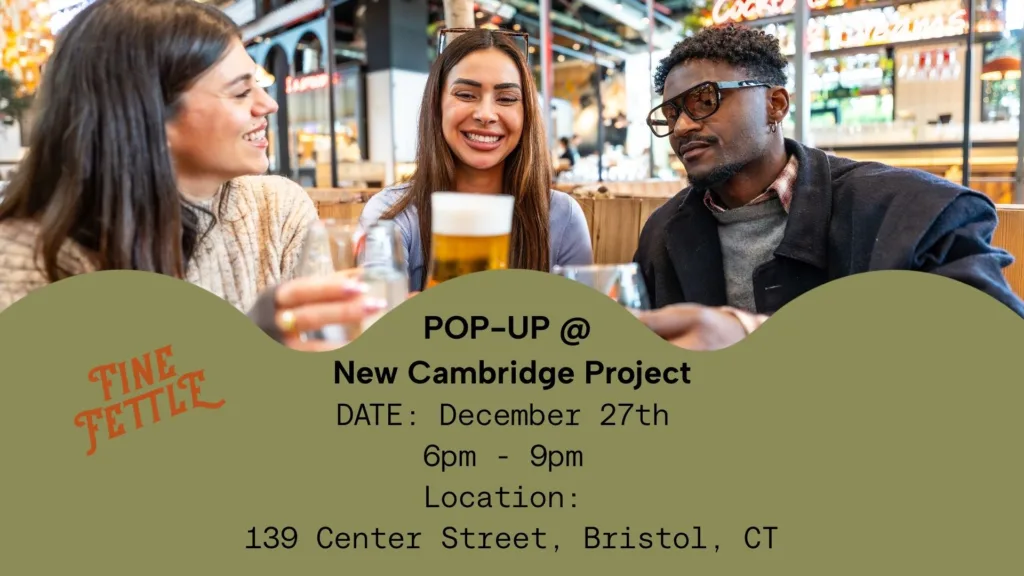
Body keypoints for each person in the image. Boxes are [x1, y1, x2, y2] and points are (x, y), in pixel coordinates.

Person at [0, 0, 377, 351]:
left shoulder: (277, 211)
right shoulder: (27, 261)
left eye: (257, 85)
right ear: (149, 116)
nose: (269, 104)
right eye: (241, 92)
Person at [632, 23, 1024, 350]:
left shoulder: (912, 214)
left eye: (704, 101)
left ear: (776, 104)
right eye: (671, 113)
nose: (682, 126)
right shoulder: (663, 234)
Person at [359, 29, 593, 291]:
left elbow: (582, 325)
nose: (486, 114)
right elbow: (379, 322)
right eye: (466, 95)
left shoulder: (562, 217)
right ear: (436, 105)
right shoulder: (392, 213)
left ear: (526, 113)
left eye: (506, 99)